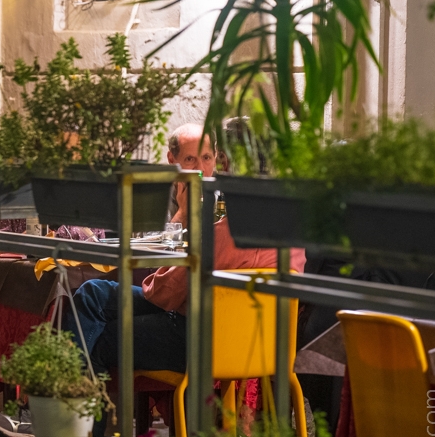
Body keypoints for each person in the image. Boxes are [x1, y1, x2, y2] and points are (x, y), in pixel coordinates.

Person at [67, 125, 303, 380]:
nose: (203, 168)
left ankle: (73, 409)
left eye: (212, 158)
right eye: (191, 158)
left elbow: (163, 294)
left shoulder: (223, 233)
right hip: (269, 345)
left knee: (101, 338)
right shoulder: (295, 233)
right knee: (94, 292)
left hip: (201, 341)